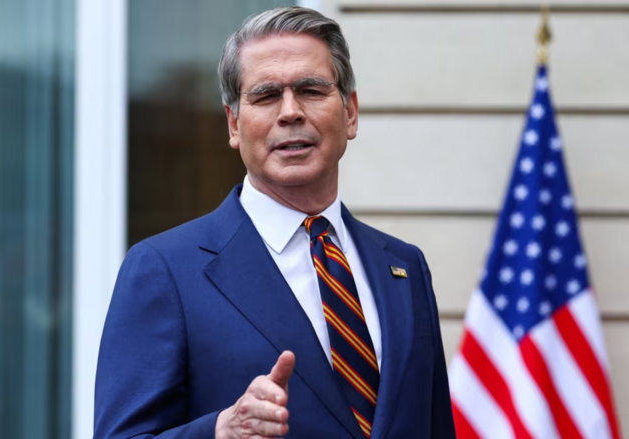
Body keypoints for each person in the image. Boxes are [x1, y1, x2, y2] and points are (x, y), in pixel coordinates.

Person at [95, 6, 455, 439]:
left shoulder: (404, 266)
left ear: (350, 112)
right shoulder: (165, 270)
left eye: (311, 90)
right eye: (266, 96)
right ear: (234, 124)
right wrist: (221, 431)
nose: (290, 112)